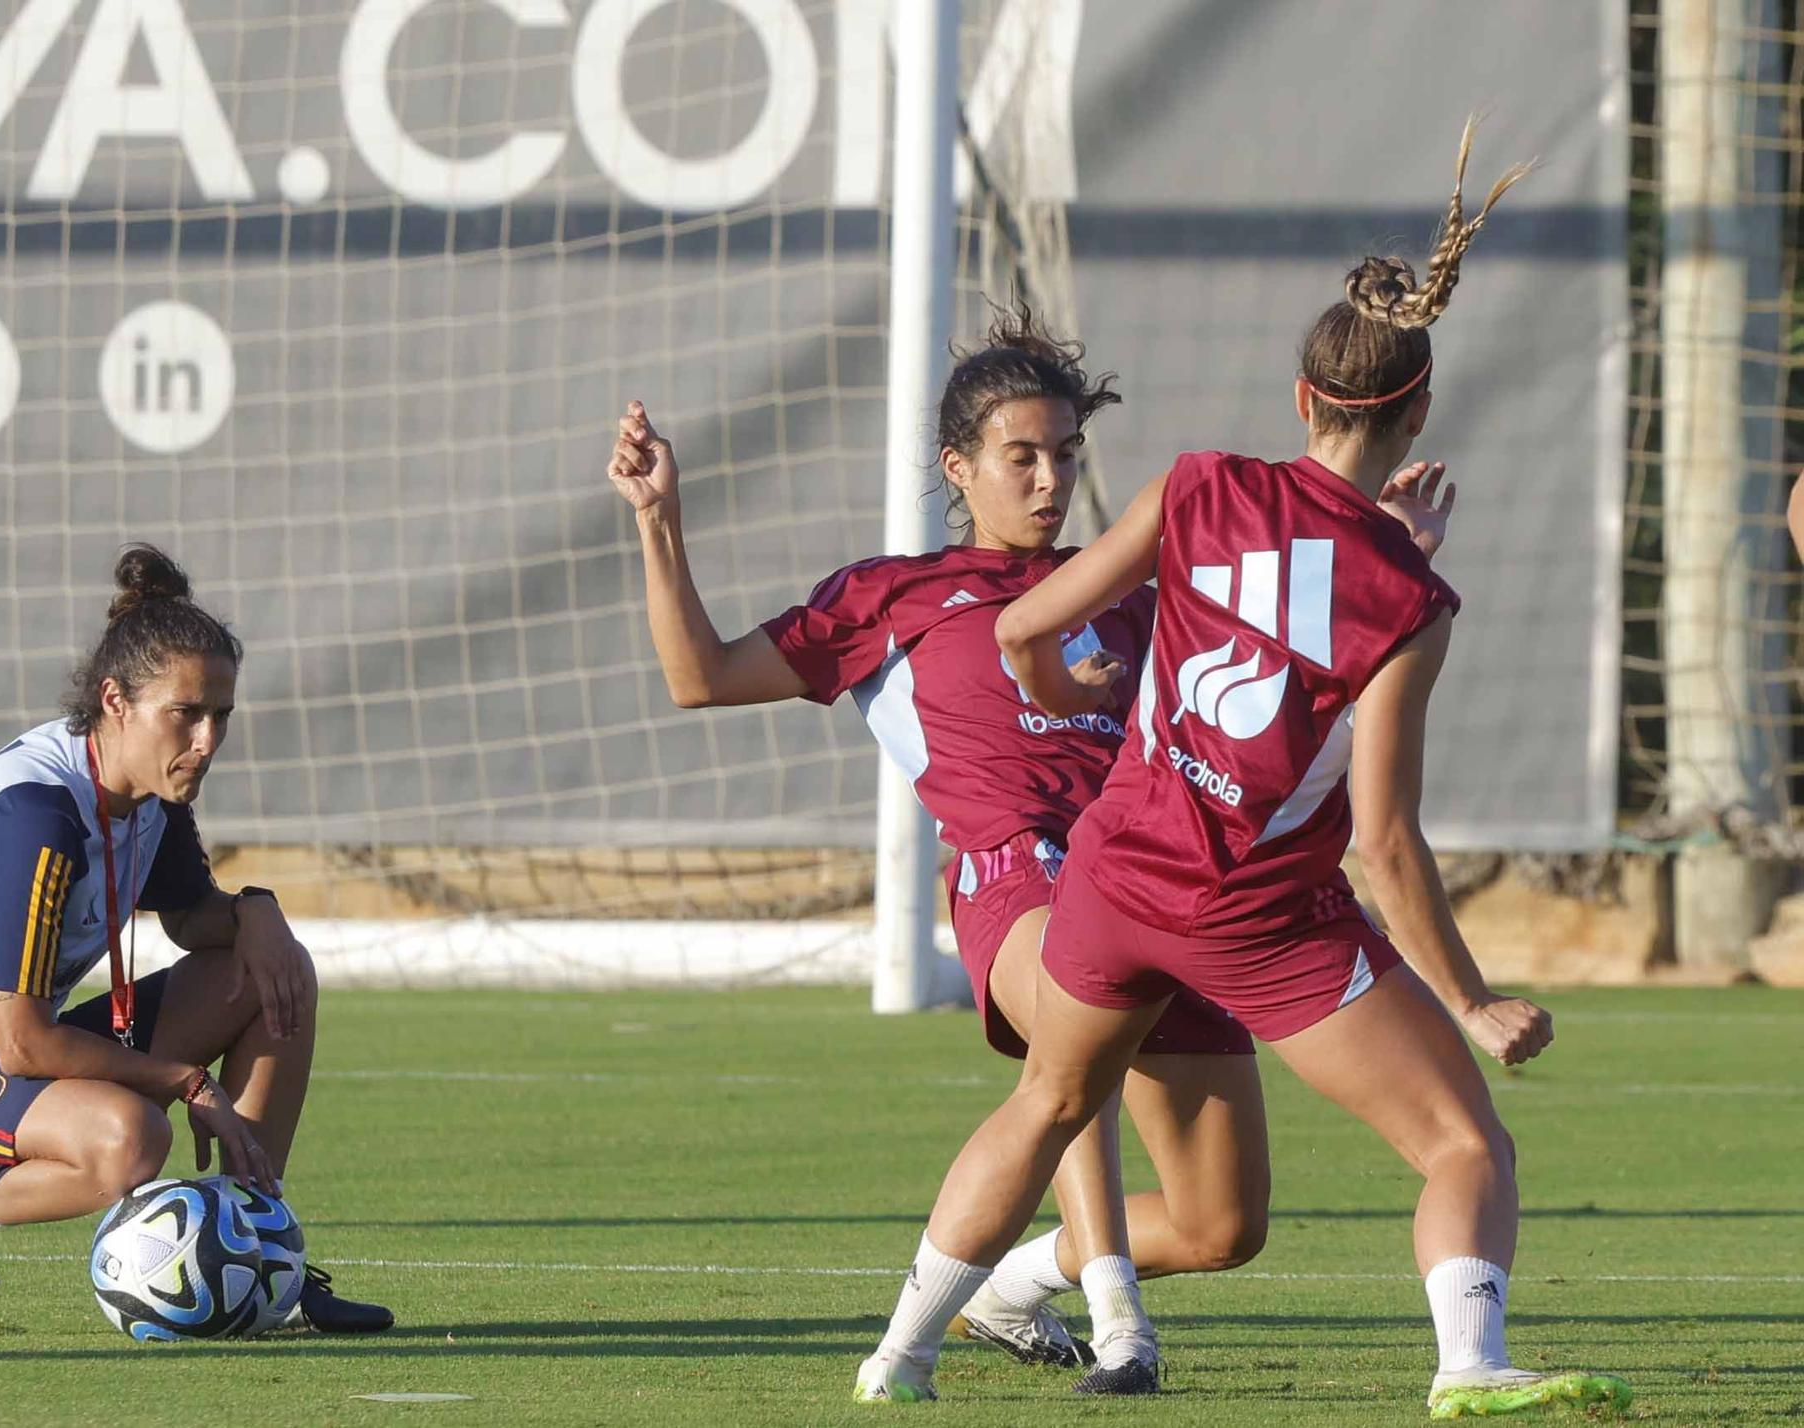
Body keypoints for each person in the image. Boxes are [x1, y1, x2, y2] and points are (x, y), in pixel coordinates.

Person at [848, 120, 1631, 1420]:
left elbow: (1023, 629)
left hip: (1116, 877)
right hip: (1255, 917)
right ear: (1419, 411)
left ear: (1301, 399)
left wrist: (1058, 690)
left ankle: (900, 1357)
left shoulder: (1201, 483)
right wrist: (1475, 999)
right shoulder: (1408, 596)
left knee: (1054, 1103)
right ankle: (1471, 1367)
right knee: (1459, 1142)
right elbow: (1384, 841)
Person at [607, 312, 1453, 1393]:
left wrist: (1380, 556)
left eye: (1065, 454)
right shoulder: (892, 597)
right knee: (1073, 1018)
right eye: (1022, 456)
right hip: (1020, 878)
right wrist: (658, 521)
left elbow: (1287, 677)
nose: (1049, 479)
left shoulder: (1141, 601)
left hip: (1164, 884)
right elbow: (701, 676)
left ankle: (1012, 1288)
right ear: (959, 469)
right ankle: (1110, 1330)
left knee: (1221, 1224)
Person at [0, 545, 394, 1339]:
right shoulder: (32, 817)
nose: (207, 740)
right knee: (130, 1141)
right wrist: (188, 1083)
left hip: (3, 1058)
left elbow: (198, 920)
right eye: (185, 714)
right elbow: (22, 1044)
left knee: (270, 972)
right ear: (115, 701)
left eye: (220, 716)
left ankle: (262, 1256)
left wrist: (259, 910)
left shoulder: (151, 791)